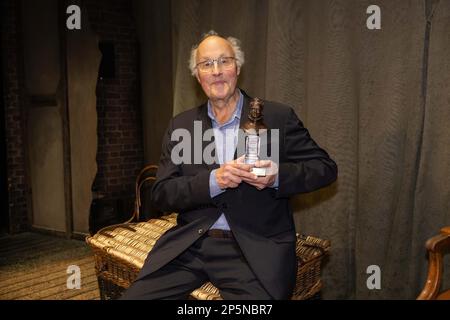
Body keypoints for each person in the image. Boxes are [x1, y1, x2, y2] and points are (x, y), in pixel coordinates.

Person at [120, 30, 337, 300]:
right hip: (190, 246)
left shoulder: (277, 116)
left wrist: (278, 176)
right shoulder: (182, 125)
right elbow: (162, 193)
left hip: (253, 250)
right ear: (198, 76)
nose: (217, 71)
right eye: (207, 64)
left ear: (237, 67)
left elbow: (325, 168)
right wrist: (215, 181)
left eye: (224, 61)